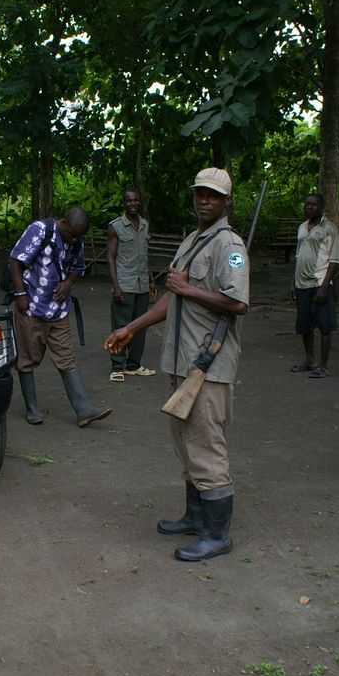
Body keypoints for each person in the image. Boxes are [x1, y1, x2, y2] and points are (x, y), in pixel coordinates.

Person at [104, 168, 249, 561]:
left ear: (225, 201)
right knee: (186, 445)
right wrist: (132, 327)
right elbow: (173, 298)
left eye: (213, 196)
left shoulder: (229, 245)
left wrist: (188, 287)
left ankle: (217, 535)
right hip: (181, 364)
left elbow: (238, 303)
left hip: (209, 364)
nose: (204, 200)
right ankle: (195, 517)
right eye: (200, 193)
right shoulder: (191, 241)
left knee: (206, 448)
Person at [9, 207, 113, 428]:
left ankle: (84, 409)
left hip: (58, 309)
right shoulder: (39, 230)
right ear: (64, 222)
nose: (75, 239)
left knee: (66, 357)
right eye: (72, 234)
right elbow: (16, 260)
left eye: (79, 236)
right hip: (31, 306)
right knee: (27, 359)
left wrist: (68, 283)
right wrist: (20, 294)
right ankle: (32, 409)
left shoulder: (77, 240)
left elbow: (78, 267)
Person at [107, 188, 158, 382]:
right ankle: (117, 366)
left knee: (140, 326)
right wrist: (116, 286)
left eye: (136, 200)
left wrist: (151, 279)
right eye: (129, 201)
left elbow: (144, 255)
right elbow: (111, 258)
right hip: (125, 284)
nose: (133, 204)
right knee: (121, 325)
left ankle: (133, 365)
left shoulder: (144, 225)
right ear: (124, 203)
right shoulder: (116, 226)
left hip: (142, 284)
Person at [288, 193, 339, 378]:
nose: (309, 207)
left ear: (321, 207)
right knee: (305, 325)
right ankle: (309, 360)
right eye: (307, 204)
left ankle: (323, 365)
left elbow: (334, 261)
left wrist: (324, 286)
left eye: (314, 204)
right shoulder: (302, 227)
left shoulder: (329, 229)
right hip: (302, 284)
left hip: (319, 283)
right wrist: (294, 282)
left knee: (325, 326)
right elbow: (298, 256)